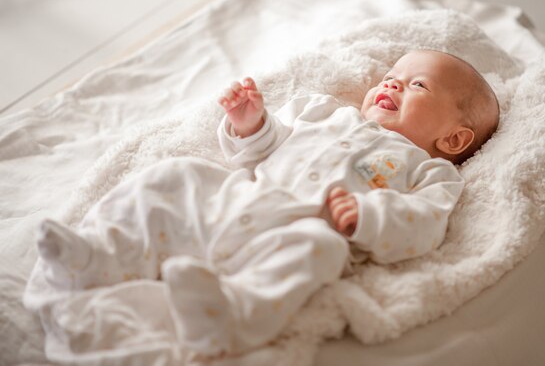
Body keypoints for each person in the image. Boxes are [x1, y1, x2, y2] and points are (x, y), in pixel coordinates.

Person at [36, 49, 499, 356]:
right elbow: (263, 148)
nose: (393, 84)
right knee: (179, 176)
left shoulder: (428, 171)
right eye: (393, 76)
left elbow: (426, 225)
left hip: (301, 229)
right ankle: (100, 255)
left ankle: (229, 313)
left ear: (454, 138)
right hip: (244, 199)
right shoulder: (324, 113)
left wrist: (369, 217)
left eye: (417, 86)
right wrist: (252, 123)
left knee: (321, 250)